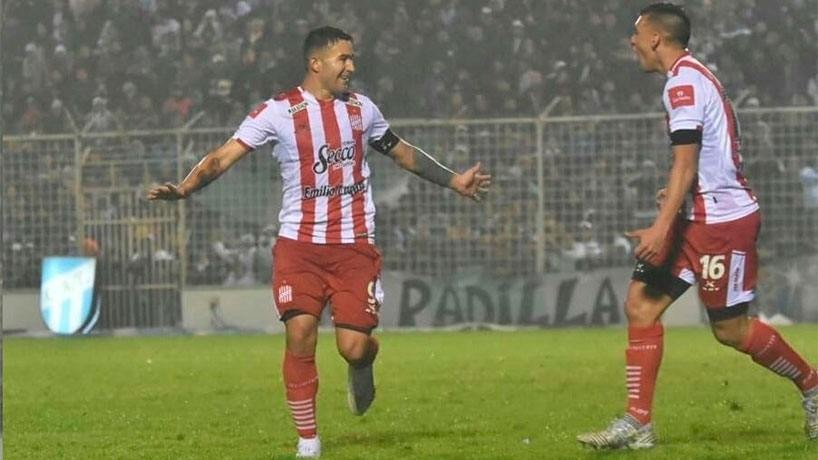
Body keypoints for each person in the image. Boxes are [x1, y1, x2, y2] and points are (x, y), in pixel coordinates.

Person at [148, 26, 490, 458]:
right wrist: (185, 188)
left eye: (352, 58)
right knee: (300, 333)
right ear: (316, 63)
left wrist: (454, 180)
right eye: (343, 58)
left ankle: (364, 361)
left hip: (353, 247)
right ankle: (308, 441)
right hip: (299, 247)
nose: (351, 66)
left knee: (353, 347)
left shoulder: (362, 110)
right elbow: (222, 157)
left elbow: (402, 152)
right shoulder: (277, 112)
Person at [577, 3, 818, 449]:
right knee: (640, 306)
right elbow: (699, 162)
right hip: (695, 217)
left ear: (656, 38)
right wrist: (676, 202)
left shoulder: (683, 83)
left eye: (637, 33)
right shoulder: (691, 76)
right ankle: (638, 423)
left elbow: (686, 163)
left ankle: (812, 385)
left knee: (731, 330)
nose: (632, 42)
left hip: (720, 223)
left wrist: (659, 226)